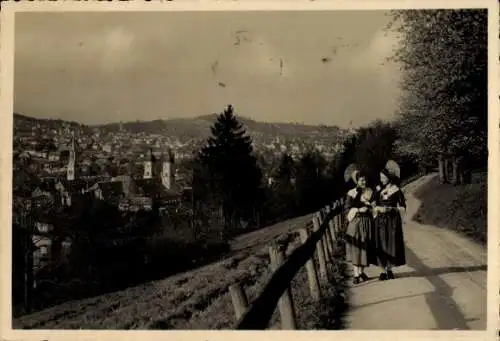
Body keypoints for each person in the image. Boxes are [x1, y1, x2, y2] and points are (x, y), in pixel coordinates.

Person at [373, 167, 407, 280]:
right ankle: (382, 271)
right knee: (381, 243)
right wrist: (376, 208)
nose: (381, 179)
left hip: (392, 220)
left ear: (389, 177)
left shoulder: (396, 190)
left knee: (390, 244)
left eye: (383, 177)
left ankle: (389, 269)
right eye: (380, 177)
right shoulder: (378, 190)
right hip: (380, 220)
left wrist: (390, 209)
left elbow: (402, 207)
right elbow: (374, 204)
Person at [344, 170, 376, 284]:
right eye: (361, 180)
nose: (364, 182)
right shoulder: (351, 193)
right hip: (355, 222)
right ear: (356, 181)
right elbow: (347, 210)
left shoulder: (369, 191)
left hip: (366, 222)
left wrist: (370, 207)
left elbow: (374, 207)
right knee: (356, 247)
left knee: (365, 247)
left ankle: (361, 272)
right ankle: (356, 274)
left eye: (365, 179)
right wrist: (358, 209)